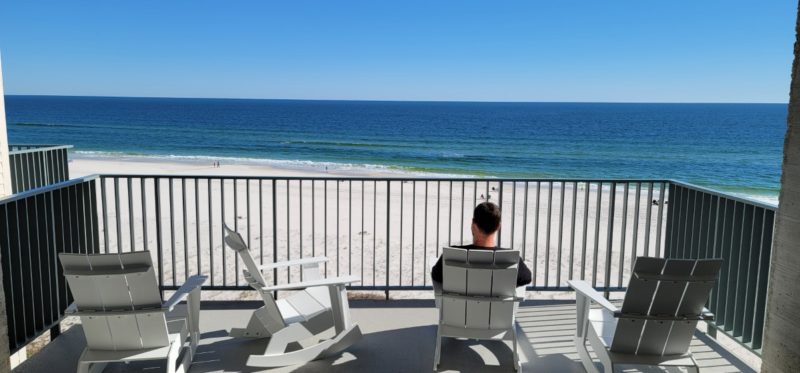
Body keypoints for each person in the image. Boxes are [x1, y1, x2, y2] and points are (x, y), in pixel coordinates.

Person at [431, 202, 532, 287]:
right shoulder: (511, 258)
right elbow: (527, 278)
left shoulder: (452, 254)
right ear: (498, 227)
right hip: (496, 310)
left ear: (473, 225)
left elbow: (436, 275)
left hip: (460, 310)